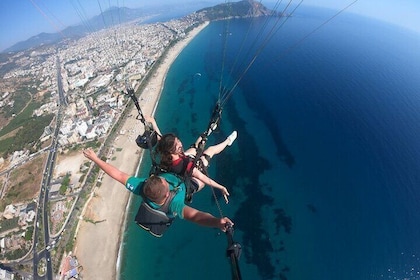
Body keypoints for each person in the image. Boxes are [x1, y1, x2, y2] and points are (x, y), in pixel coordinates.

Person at [82, 148, 233, 236]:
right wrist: (216, 222)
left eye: (158, 178)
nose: (164, 179)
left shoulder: (142, 187)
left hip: (179, 176)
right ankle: (210, 152)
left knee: (193, 150)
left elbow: (118, 175)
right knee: (204, 162)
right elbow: (196, 217)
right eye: (165, 182)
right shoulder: (174, 205)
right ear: (167, 194)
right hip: (188, 185)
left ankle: (198, 148)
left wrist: (95, 159)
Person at [144, 116, 237, 204]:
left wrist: (153, 122)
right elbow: (203, 178)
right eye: (178, 145)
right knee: (210, 150)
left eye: (178, 140)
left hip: (182, 168)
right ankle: (228, 141)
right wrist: (221, 187)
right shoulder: (184, 164)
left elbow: (161, 139)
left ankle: (209, 130)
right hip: (193, 177)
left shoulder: (166, 153)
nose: (180, 144)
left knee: (196, 146)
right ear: (172, 150)